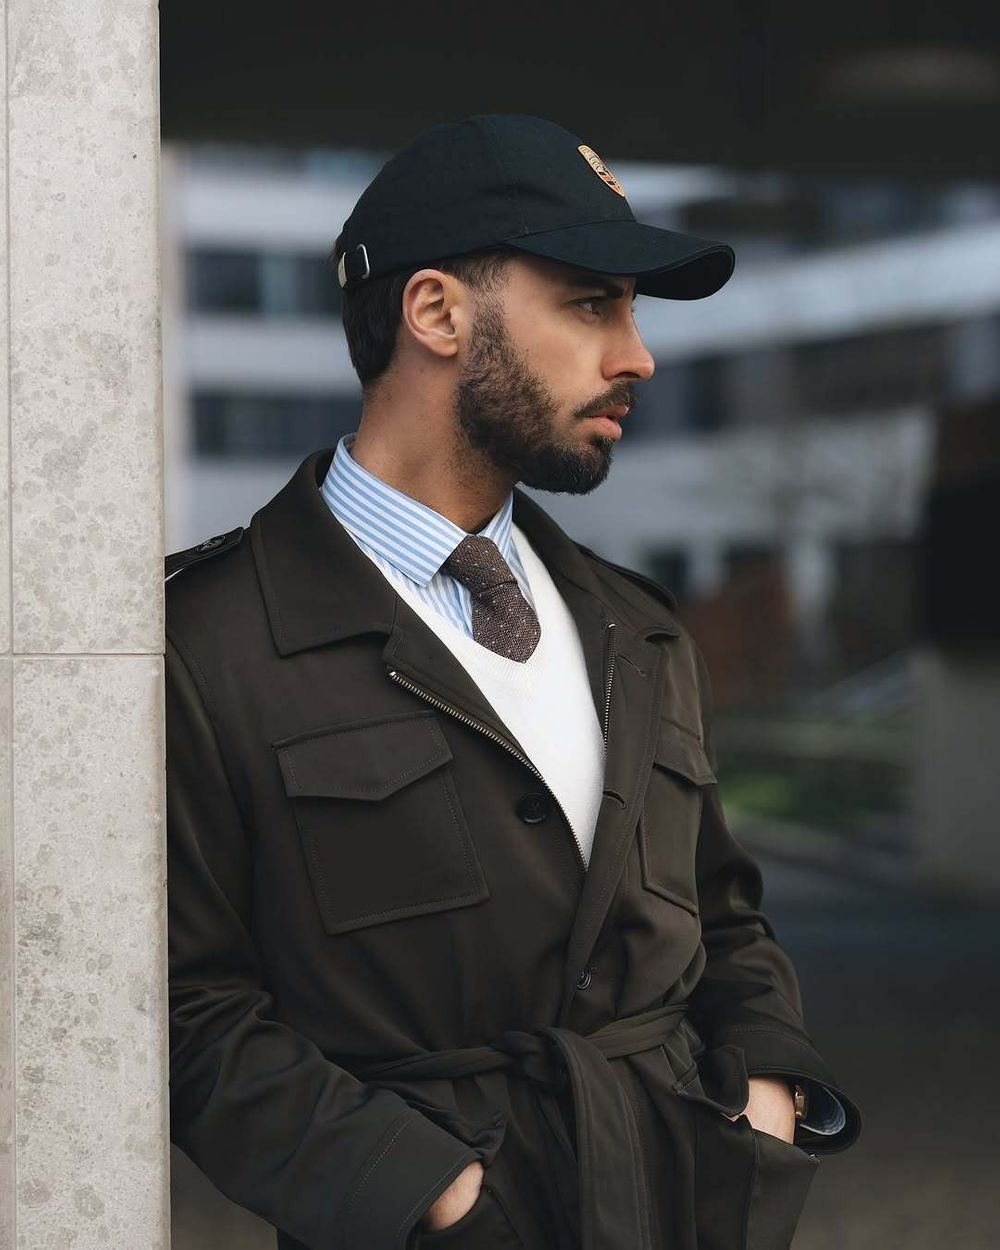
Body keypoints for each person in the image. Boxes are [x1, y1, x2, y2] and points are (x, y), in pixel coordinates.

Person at [165, 114, 861, 1250]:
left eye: (631, 311)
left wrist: (766, 1096)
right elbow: (187, 1010)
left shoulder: (637, 624)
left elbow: (724, 915)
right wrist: (429, 1196)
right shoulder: (208, 645)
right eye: (593, 303)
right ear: (435, 312)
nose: (636, 354)